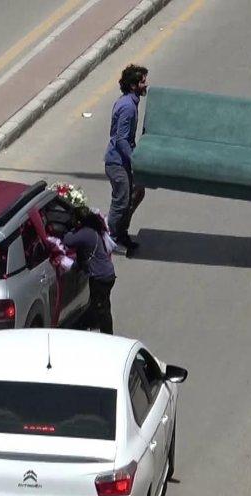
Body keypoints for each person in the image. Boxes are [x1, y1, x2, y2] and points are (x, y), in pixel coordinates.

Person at [105, 64, 148, 258]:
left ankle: (121, 233)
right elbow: (121, 139)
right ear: (132, 86)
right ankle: (110, 240)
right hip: (117, 162)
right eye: (142, 81)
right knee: (121, 201)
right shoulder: (128, 107)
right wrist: (134, 160)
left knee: (137, 193)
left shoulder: (129, 102)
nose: (145, 84)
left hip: (122, 160)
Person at [63, 207, 116, 334]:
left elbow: (67, 240)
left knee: (102, 307)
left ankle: (107, 335)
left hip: (100, 278)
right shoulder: (92, 231)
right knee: (103, 304)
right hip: (107, 274)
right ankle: (97, 325)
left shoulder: (86, 233)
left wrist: (67, 229)